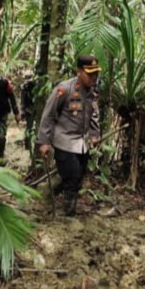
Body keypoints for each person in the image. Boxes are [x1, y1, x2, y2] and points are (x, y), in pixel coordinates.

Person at [37, 55, 101, 216]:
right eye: (89, 73)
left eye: (96, 73)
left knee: (78, 178)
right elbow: (48, 115)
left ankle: (47, 191)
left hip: (82, 143)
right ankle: (69, 215)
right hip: (64, 141)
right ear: (78, 72)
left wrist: (94, 134)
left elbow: (94, 113)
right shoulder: (64, 89)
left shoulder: (93, 91)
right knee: (73, 179)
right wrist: (44, 142)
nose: (94, 77)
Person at [20, 70, 36, 151]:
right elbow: (22, 100)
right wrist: (22, 112)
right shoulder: (24, 88)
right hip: (28, 110)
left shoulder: (37, 85)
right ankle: (27, 145)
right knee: (29, 128)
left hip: (36, 108)